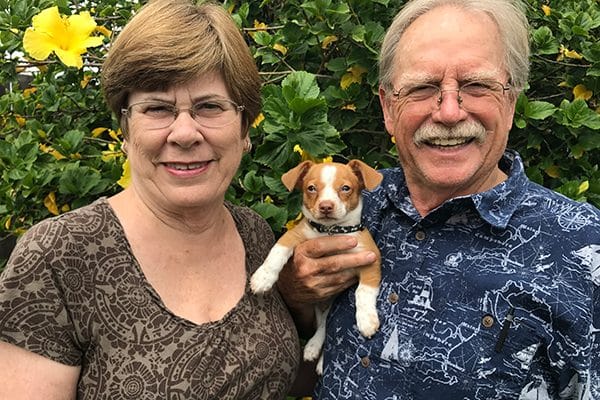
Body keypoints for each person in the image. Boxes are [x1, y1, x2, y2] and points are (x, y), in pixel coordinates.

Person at [277, 0, 600, 398]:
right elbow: (289, 367)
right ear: (387, 108)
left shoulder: (584, 250)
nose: (449, 112)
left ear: (512, 102)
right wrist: (294, 293)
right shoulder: (354, 208)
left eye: (476, 85)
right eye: (423, 88)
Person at [0, 0, 301, 398]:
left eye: (209, 106)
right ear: (125, 130)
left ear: (245, 128)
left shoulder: (256, 235)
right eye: (157, 108)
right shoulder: (58, 255)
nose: (184, 133)